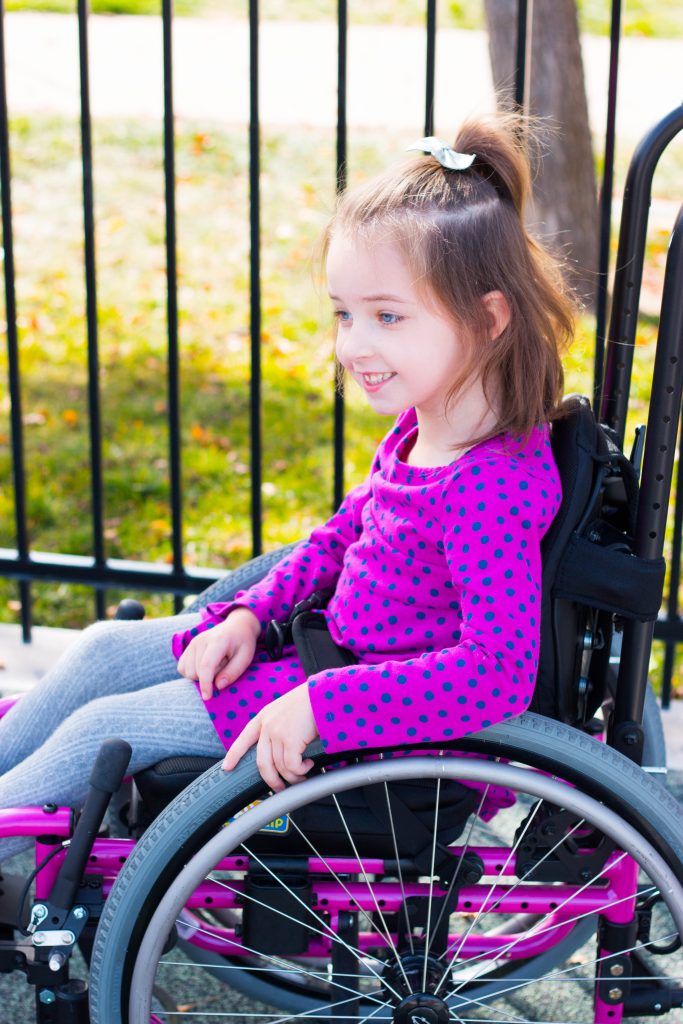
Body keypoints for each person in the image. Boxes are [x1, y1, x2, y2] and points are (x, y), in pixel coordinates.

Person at [0, 115, 573, 861]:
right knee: (106, 649)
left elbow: (494, 674)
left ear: (487, 317)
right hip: (318, 657)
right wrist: (249, 615)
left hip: (363, 711)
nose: (352, 346)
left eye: (387, 317)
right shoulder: (425, 427)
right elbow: (340, 540)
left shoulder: (488, 485)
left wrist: (321, 704)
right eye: (344, 315)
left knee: (110, 727)